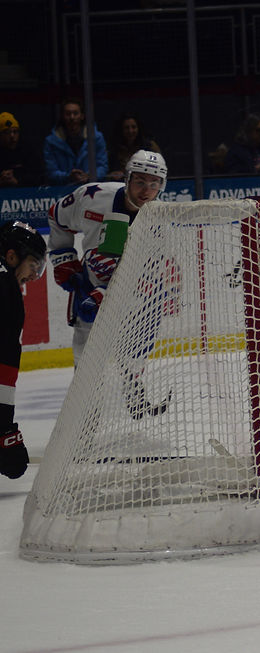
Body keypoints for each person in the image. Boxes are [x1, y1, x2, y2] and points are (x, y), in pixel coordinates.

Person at [47, 150, 167, 365]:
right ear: (127, 178)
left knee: (133, 360)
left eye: (154, 184)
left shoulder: (160, 222)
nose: (146, 191)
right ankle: (86, 398)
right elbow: (57, 215)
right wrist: (64, 259)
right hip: (89, 283)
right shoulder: (92, 197)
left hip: (136, 298)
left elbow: (151, 275)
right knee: (84, 360)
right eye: (140, 181)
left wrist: (107, 294)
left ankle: (134, 392)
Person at [0, 221, 46, 480]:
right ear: (11, 256)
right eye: (32, 265)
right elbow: (4, 363)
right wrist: (4, 427)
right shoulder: (7, 288)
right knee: (14, 463)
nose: (33, 274)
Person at [43, 98, 108, 186]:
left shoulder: (96, 138)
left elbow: (103, 166)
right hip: (62, 190)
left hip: (91, 188)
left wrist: (89, 176)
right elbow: (51, 172)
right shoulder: (51, 142)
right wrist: (68, 176)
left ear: (82, 116)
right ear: (62, 116)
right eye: (68, 114)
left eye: (75, 113)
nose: (72, 117)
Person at [107, 113, 161, 182]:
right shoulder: (114, 148)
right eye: (127, 128)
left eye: (133, 127)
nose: (130, 131)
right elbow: (108, 173)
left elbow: (159, 168)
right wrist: (113, 174)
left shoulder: (150, 146)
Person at [0, 112, 43, 188]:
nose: (12, 136)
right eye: (7, 132)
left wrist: (17, 182)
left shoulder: (27, 149)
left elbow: (39, 176)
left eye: (15, 131)